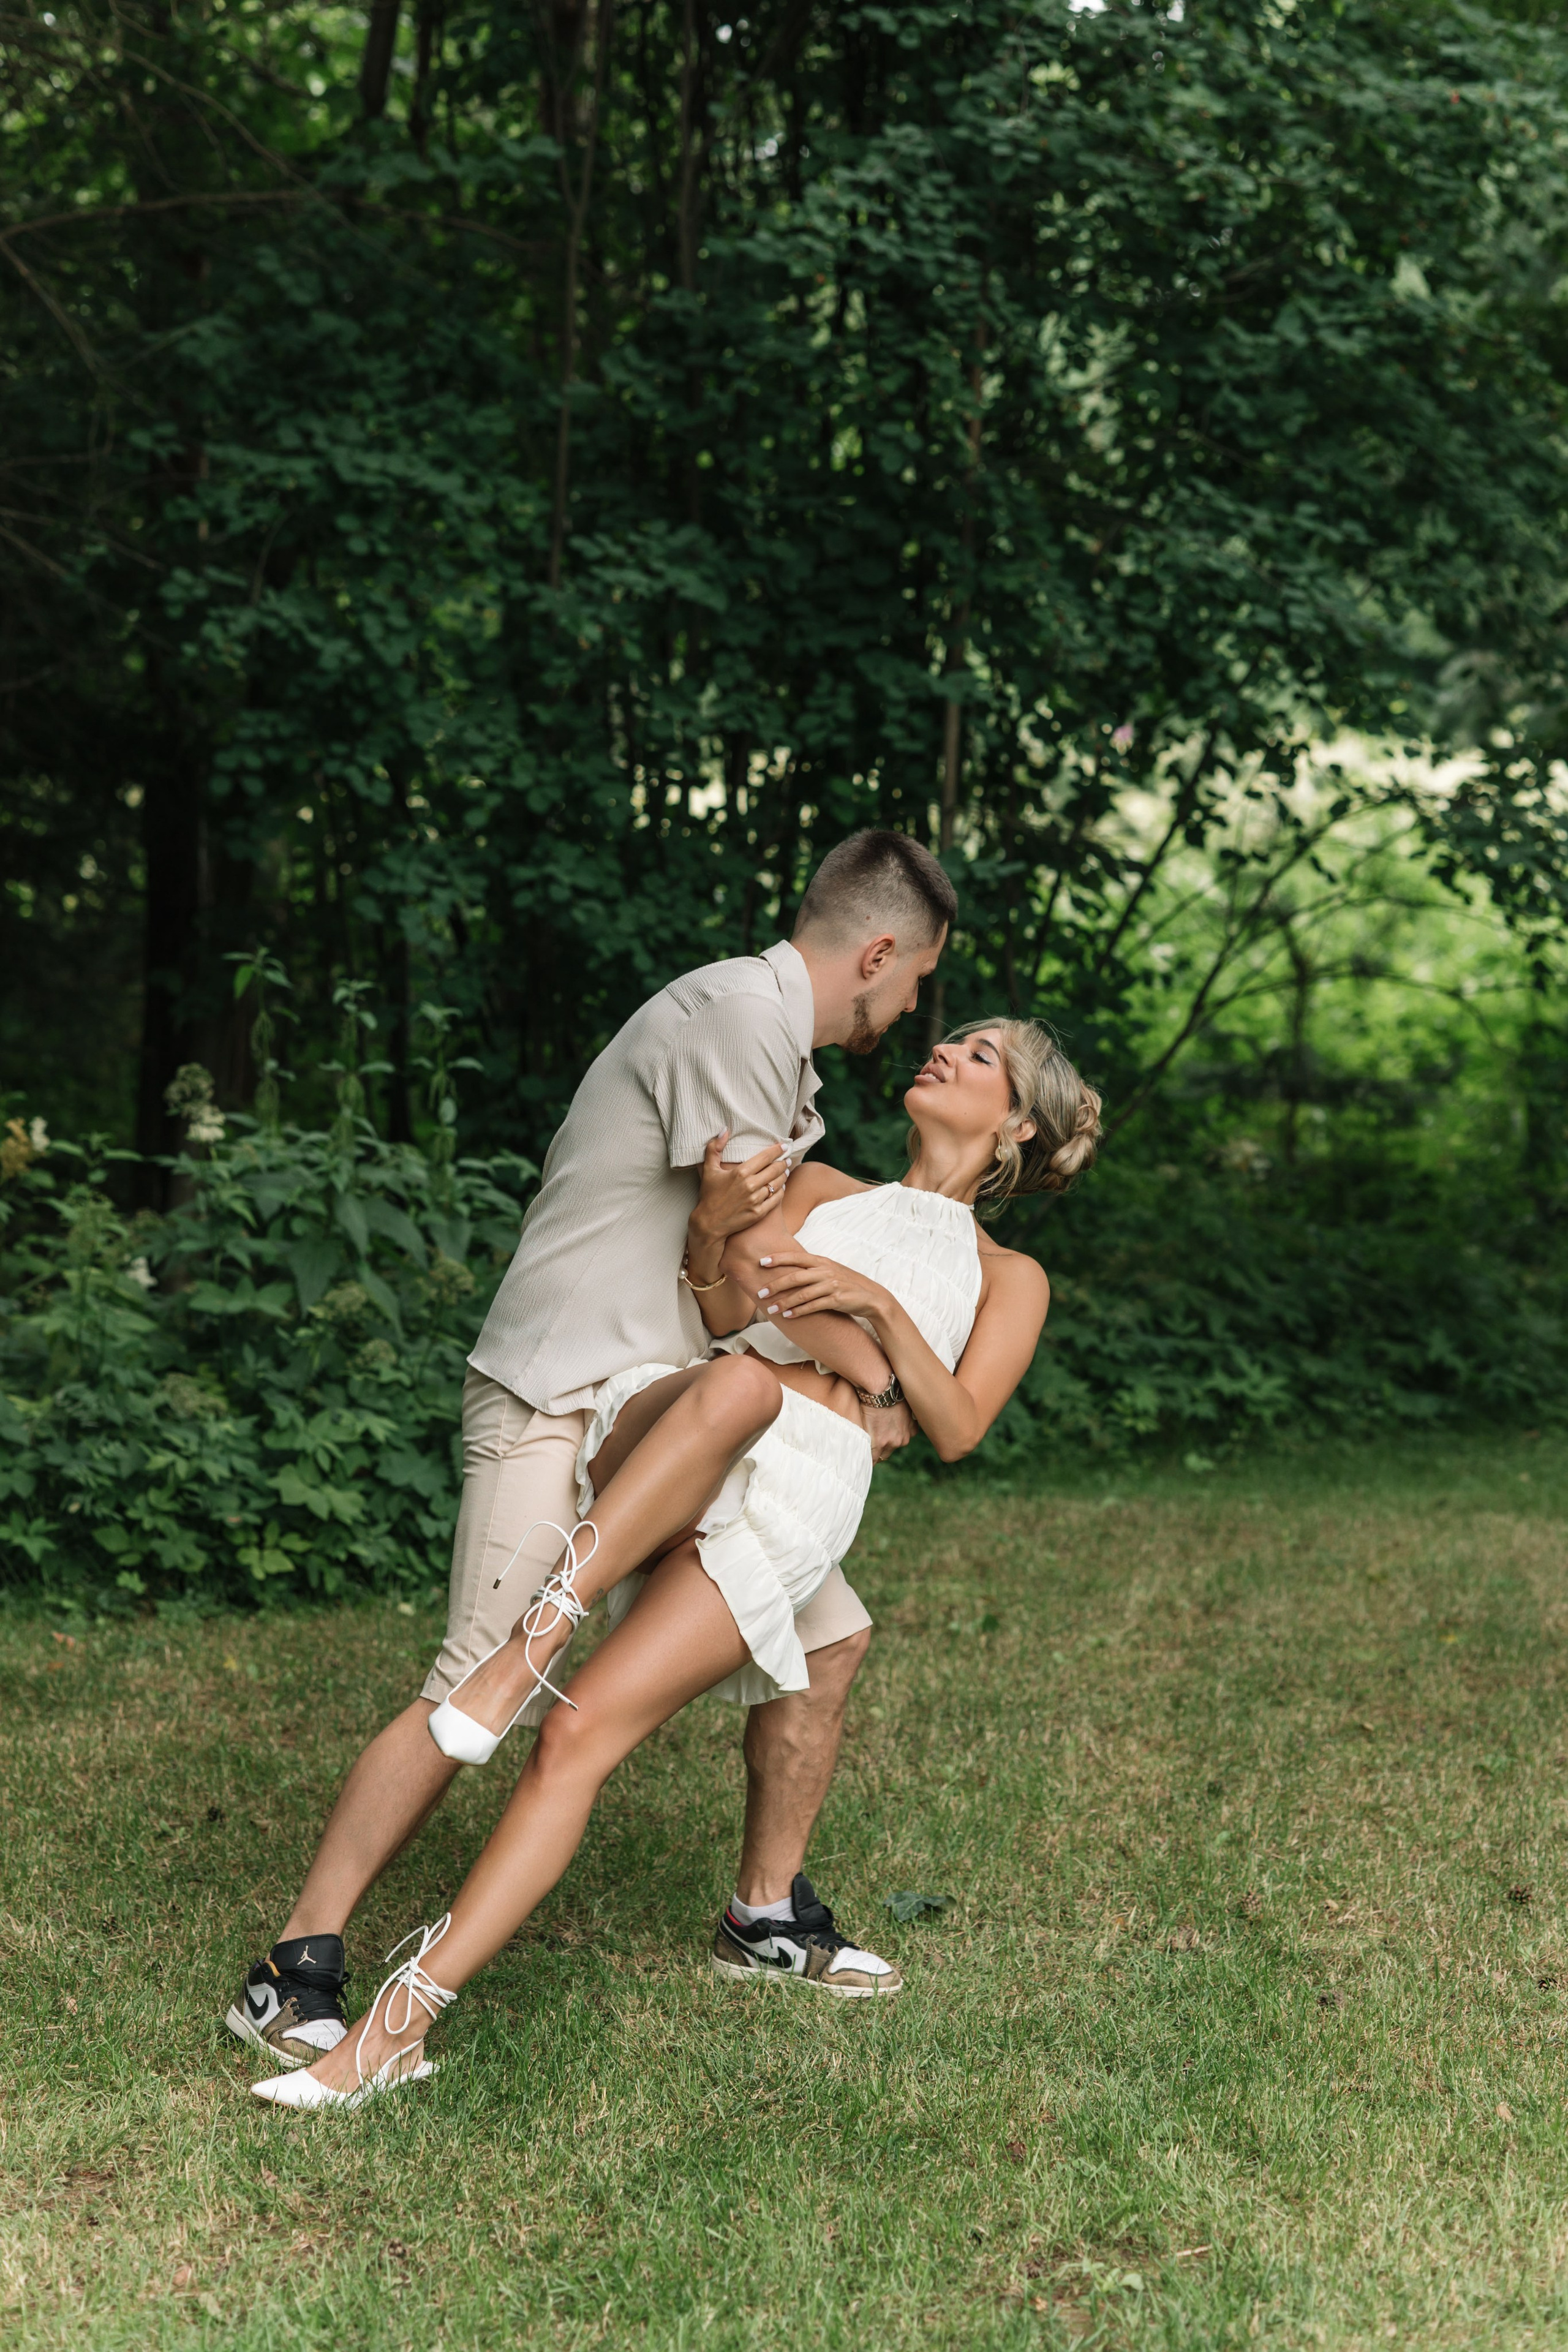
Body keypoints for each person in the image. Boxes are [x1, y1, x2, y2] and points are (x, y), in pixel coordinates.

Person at [251, 1016, 1102, 2108]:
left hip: (799, 1495)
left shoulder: (1009, 1276)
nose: (946, 1049)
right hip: (690, 1426)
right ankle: (535, 1638)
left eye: (982, 1056)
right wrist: (826, 1333)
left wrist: (875, 1308)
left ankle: (394, 2031)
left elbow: (959, 1425)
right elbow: (732, 1299)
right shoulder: (821, 1186)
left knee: (577, 1737)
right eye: (955, 1038)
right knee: (740, 1382)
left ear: (1018, 1124)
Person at [224, 830, 954, 2068]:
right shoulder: (738, 1017)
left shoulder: (777, 1052)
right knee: (475, 1678)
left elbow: (732, 1264)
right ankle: (291, 1971)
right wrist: (881, 1376)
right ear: (877, 953)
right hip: (561, 1396)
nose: (911, 1011)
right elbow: (754, 1259)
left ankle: (764, 1918)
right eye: (917, 982)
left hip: (663, 1417)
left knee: (827, 1633)